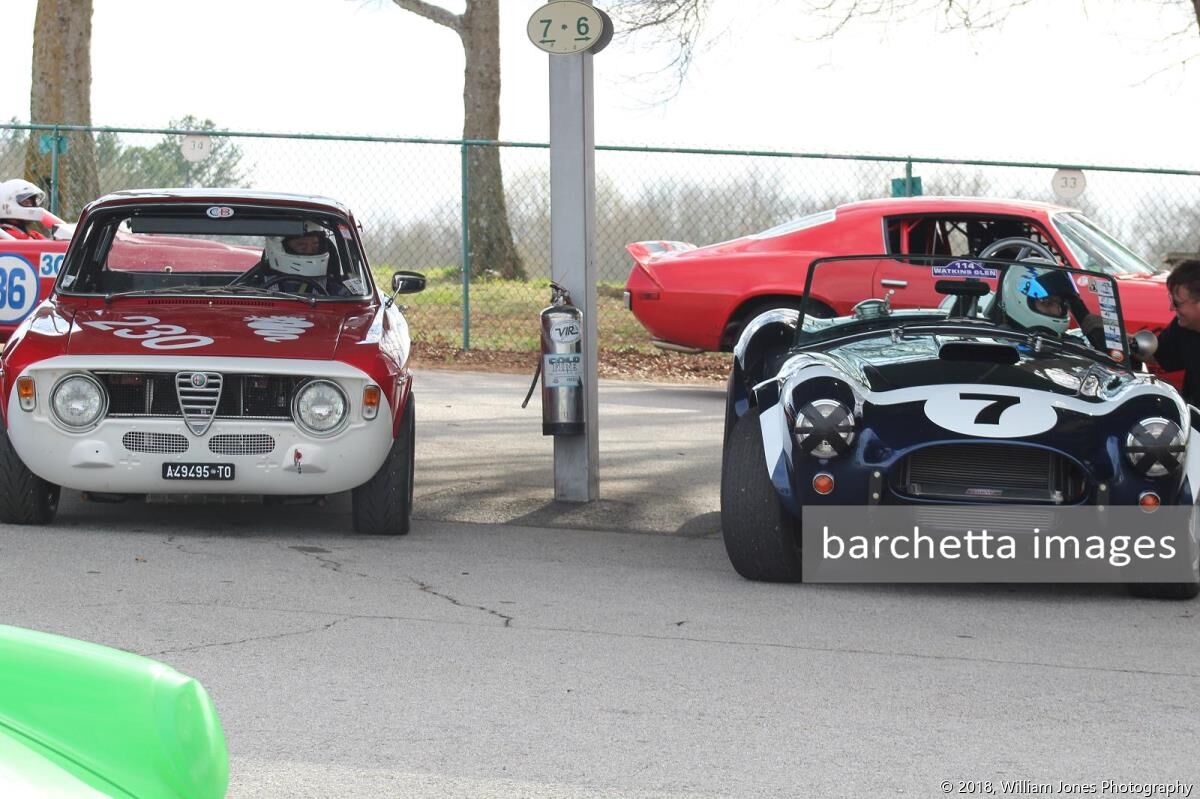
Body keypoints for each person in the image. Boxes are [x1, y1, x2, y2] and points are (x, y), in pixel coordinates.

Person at [995, 259, 1105, 348]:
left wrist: (1100, 338)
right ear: (1018, 300)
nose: (1057, 310)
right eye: (1047, 302)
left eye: (1061, 303)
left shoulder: (1071, 344)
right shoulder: (1002, 349)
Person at [238, 225, 351, 296]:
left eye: (315, 245)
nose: (310, 250)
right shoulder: (255, 292)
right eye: (302, 245)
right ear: (279, 247)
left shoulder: (335, 292)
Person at [1148, 258, 1200, 407]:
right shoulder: (1184, 327)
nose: (1171, 308)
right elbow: (1158, 355)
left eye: (1177, 302)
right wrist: (1119, 339)